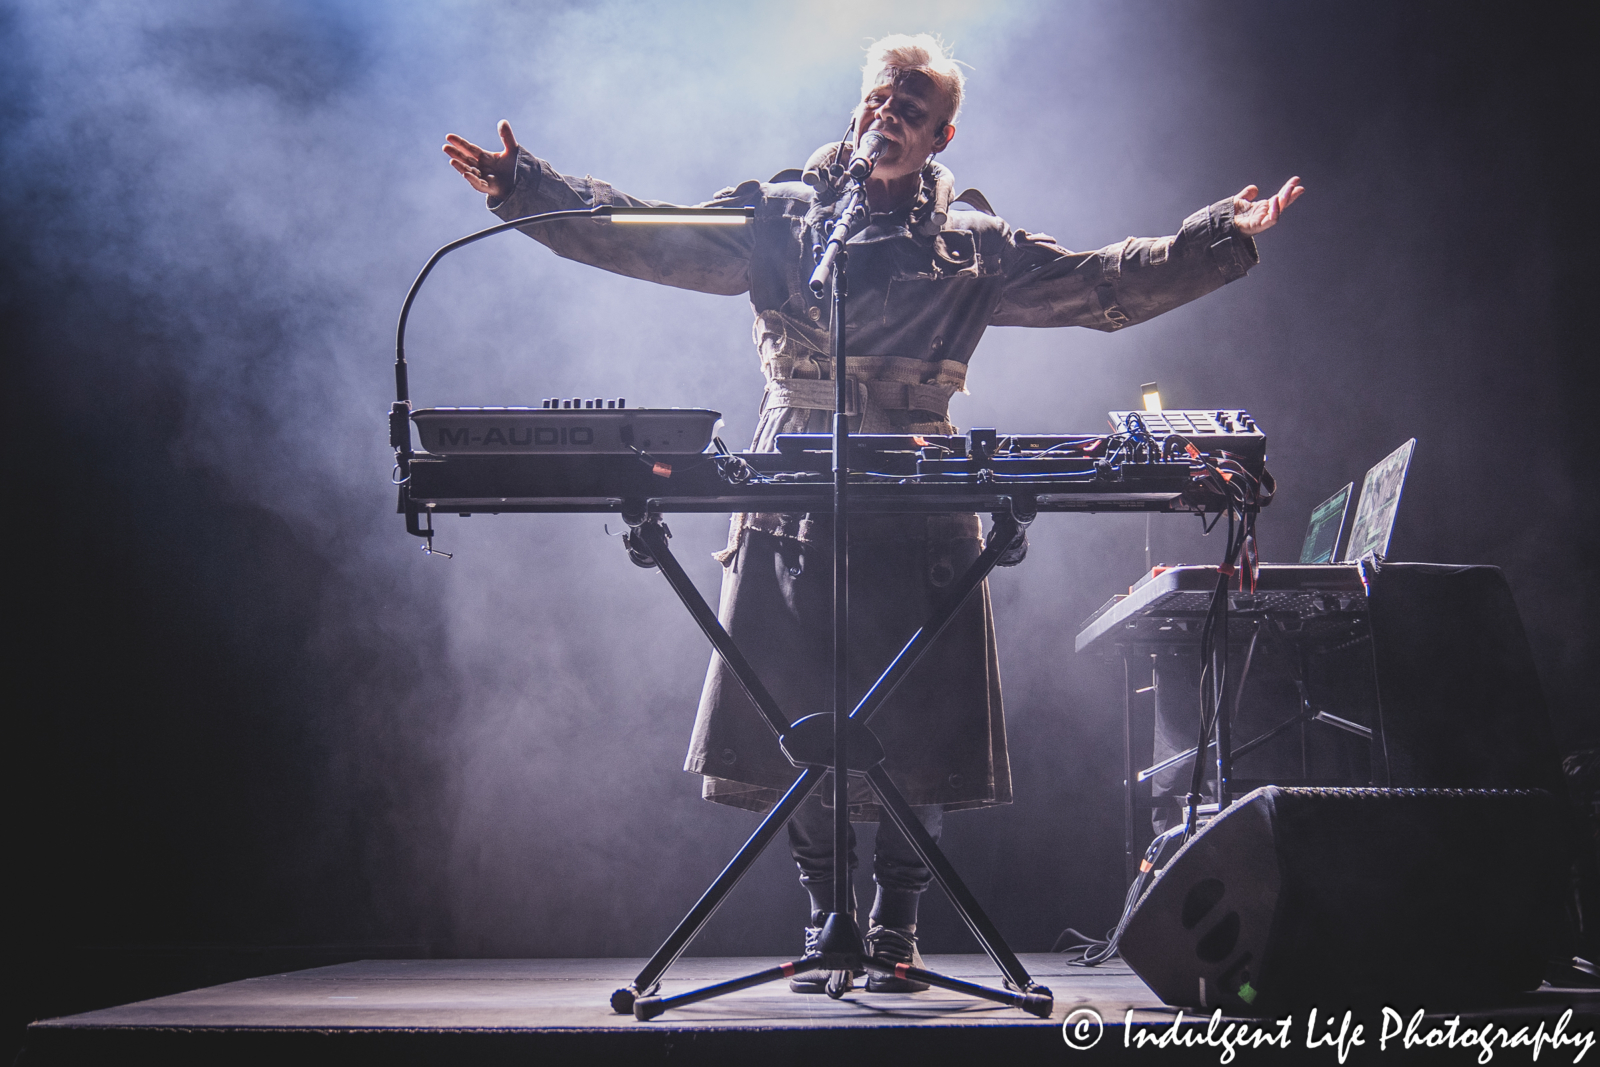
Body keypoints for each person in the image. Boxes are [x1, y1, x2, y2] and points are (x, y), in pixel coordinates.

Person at [443, 33, 1303, 993]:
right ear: (857, 108)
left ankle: (896, 919)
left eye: (911, 104)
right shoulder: (782, 217)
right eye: (877, 97)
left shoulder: (975, 245)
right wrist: (526, 185)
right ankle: (826, 913)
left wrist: (1217, 238)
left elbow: (1103, 283)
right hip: (790, 493)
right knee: (792, 702)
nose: (887, 114)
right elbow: (646, 232)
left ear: (942, 132)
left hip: (919, 490)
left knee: (916, 716)